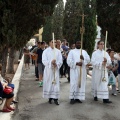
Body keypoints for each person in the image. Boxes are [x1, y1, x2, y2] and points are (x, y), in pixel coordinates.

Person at [42, 40, 63, 105]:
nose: (54, 43)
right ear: (49, 43)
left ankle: (56, 99)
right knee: (49, 84)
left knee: (55, 84)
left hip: (55, 70)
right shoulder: (46, 51)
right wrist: (51, 62)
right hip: (48, 71)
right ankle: (50, 98)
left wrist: (56, 64)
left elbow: (60, 60)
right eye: (52, 42)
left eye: (55, 42)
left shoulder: (58, 51)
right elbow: (44, 60)